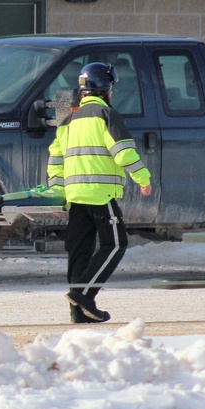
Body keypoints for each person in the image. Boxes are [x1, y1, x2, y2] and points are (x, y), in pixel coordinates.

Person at [47, 62, 152, 323]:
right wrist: (143, 178)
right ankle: (83, 295)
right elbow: (124, 152)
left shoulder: (68, 120)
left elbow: (55, 158)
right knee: (115, 244)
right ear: (105, 89)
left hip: (75, 196)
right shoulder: (107, 115)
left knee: (79, 252)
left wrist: (58, 192)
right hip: (101, 194)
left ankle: (79, 313)